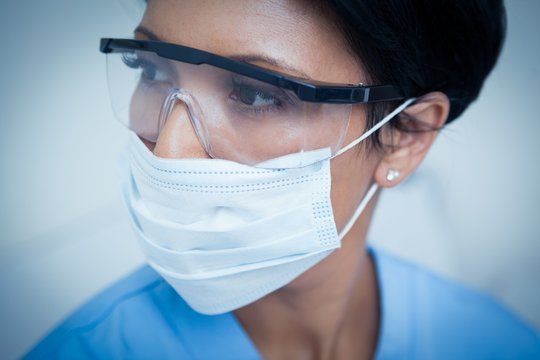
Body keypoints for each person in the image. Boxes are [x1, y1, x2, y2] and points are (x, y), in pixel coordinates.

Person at [25, 0, 540, 359]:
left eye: (254, 94)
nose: (168, 149)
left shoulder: (497, 345)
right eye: (151, 69)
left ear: (407, 133)